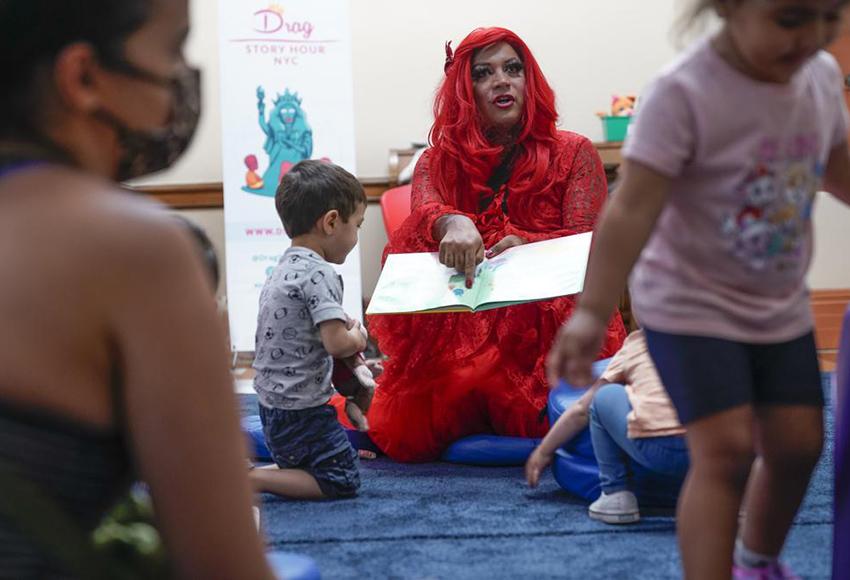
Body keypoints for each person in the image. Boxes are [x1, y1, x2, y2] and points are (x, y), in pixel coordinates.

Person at [547, 1, 850, 578]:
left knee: (798, 445)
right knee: (727, 452)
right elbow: (629, 208)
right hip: (689, 307)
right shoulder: (684, 92)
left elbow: (837, 166)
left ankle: (755, 561)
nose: (812, 36)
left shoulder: (819, 76)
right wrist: (590, 312)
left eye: (831, 17)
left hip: (777, 305)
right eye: (790, 19)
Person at [0, 0, 274, 577]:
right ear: (83, 76)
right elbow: (223, 565)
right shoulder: (138, 250)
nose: (182, 79)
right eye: (174, 48)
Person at [349, 27, 627, 462]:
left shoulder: (574, 152)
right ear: (465, 90)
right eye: (484, 73)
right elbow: (423, 212)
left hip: (551, 323)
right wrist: (450, 221)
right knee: (417, 423)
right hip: (467, 320)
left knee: (545, 407)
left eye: (513, 68)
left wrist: (527, 244)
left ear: (528, 79)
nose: (502, 80)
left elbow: (588, 247)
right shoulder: (436, 161)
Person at [249, 160, 370, 499]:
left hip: (272, 409)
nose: (356, 236)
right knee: (340, 478)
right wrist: (358, 336)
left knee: (310, 465)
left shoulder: (283, 267)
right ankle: (249, 480)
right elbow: (336, 343)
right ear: (332, 221)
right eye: (357, 225)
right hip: (301, 412)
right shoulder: (320, 273)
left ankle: (257, 473)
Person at [526, 329, 689, 524]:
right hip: (706, 452)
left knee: (604, 396)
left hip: (654, 448)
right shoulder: (718, 342)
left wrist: (544, 450)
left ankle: (616, 495)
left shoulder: (636, 344)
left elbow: (580, 410)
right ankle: (733, 499)